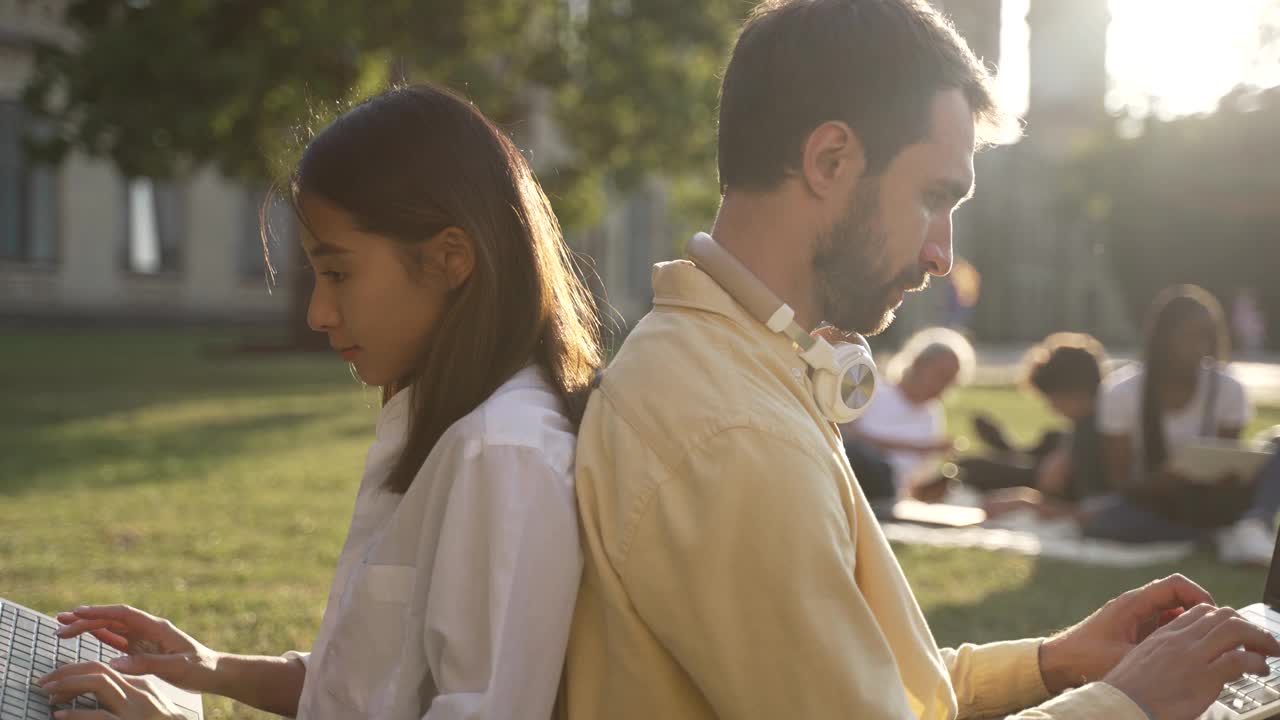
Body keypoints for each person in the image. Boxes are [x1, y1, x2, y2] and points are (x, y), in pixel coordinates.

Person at [564, 2, 1280, 719]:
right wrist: (1129, 703)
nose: (942, 254)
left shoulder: (737, 368)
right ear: (830, 160)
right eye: (935, 198)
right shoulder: (736, 434)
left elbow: (872, 686)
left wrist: (1052, 662)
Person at [38, 84, 603, 719]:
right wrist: (210, 667)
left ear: (450, 260)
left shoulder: (506, 454)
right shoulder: (446, 423)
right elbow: (374, 690)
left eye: (338, 273)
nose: (317, 313)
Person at [1082, 285, 1279, 565]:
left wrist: (1226, 477)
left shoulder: (1228, 388)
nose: (1200, 347)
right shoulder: (1121, 392)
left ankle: (1253, 524)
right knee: (1104, 520)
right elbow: (1120, 480)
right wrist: (1160, 483)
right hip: (1157, 503)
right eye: (1190, 336)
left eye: (1207, 337)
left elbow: (1229, 456)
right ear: (1163, 339)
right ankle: (1215, 537)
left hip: (1216, 499)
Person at [962, 332, 1110, 514]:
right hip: (1047, 472)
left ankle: (1008, 450)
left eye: (1053, 399)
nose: (1053, 408)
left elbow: (1094, 509)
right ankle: (1010, 450)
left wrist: (1027, 503)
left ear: (1069, 392)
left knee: (975, 469)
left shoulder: (1097, 433)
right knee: (1050, 438)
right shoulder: (1090, 421)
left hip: (1049, 484)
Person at [841, 326, 972, 505]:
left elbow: (915, 483)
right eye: (940, 375)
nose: (943, 386)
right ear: (918, 363)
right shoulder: (873, 390)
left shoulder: (932, 415)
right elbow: (845, 436)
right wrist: (920, 448)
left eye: (950, 381)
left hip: (895, 498)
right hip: (858, 481)